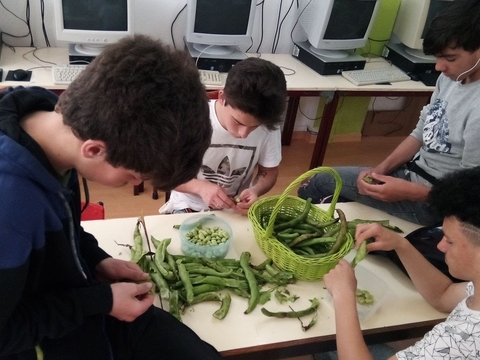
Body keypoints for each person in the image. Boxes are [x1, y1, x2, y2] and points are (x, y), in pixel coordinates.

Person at [0, 35, 222, 359]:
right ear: (94, 149)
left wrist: (97, 259)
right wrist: (102, 301)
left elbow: (64, 234)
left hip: (86, 308)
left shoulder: (58, 125)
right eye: (135, 176)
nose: (134, 182)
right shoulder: (10, 213)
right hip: (44, 339)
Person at [298, 0, 480, 226]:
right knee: (324, 180)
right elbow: (421, 132)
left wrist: (410, 192)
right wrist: (380, 170)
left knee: (318, 184)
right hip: (412, 176)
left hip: (437, 204)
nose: (438, 67)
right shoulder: (451, 78)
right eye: (438, 57)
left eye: (450, 58)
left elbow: (470, 196)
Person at [323, 166, 480, 359]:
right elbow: (443, 296)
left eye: (450, 240)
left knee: (325, 342)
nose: (440, 246)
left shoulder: (461, 340)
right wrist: (401, 245)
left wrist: (343, 295)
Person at [159, 57, 287, 216]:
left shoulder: (268, 125)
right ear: (222, 98)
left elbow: (270, 171)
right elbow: (164, 175)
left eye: (255, 127)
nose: (244, 133)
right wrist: (200, 188)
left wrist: (255, 190)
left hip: (234, 208)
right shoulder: (192, 119)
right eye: (238, 122)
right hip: (188, 204)